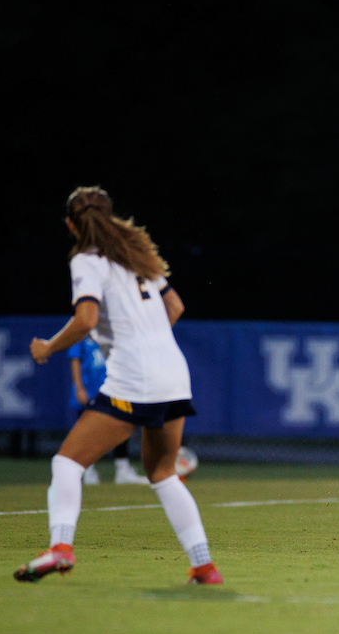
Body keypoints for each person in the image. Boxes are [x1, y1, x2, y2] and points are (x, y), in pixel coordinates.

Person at [14, 186, 222, 585]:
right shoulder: (137, 255)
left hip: (135, 377)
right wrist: (150, 339)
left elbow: (87, 319)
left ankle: (60, 547)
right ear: (109, 216)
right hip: (175, 374)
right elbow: (175, 307)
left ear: (72, 224)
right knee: (162, 473)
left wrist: (49, 347)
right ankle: (204, 566)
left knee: (67, 463)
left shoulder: (87, 261)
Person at [67, 336, 150, 485]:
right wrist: (79, 388)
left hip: (113, 386)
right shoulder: (82, 326)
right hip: (90, 388)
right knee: (87, 431)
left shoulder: (109, 326)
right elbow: (74, 359)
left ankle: (122, 469)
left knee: (122, 425)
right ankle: (87, 470)